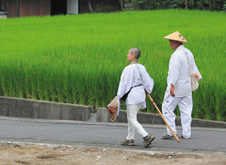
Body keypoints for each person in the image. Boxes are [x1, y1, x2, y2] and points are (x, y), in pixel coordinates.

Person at [162, 31, 202, 139]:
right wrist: (197, 79)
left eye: (170, 42)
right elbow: (194, 70)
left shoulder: (176, 55)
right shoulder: (188, 52)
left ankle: (171, 132)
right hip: (187, 87)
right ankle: (186, 133)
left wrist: (172, 86)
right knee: (186, 110)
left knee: (167, 108)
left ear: (175, 42)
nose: (169, 44)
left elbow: (175, 72)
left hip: (177, 88)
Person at [117, 47, 155, 148]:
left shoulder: (127, 69)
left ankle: (146, 136)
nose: (127, 55)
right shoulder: (142, 67)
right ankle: (130, 138)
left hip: (133, 96)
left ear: (133, 55)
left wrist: (118, 96)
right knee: (132, 117)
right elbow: (148, 80)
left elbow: (123, 84)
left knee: (131, 118)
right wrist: (147, 89)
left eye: (128, 53)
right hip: (141, 94)